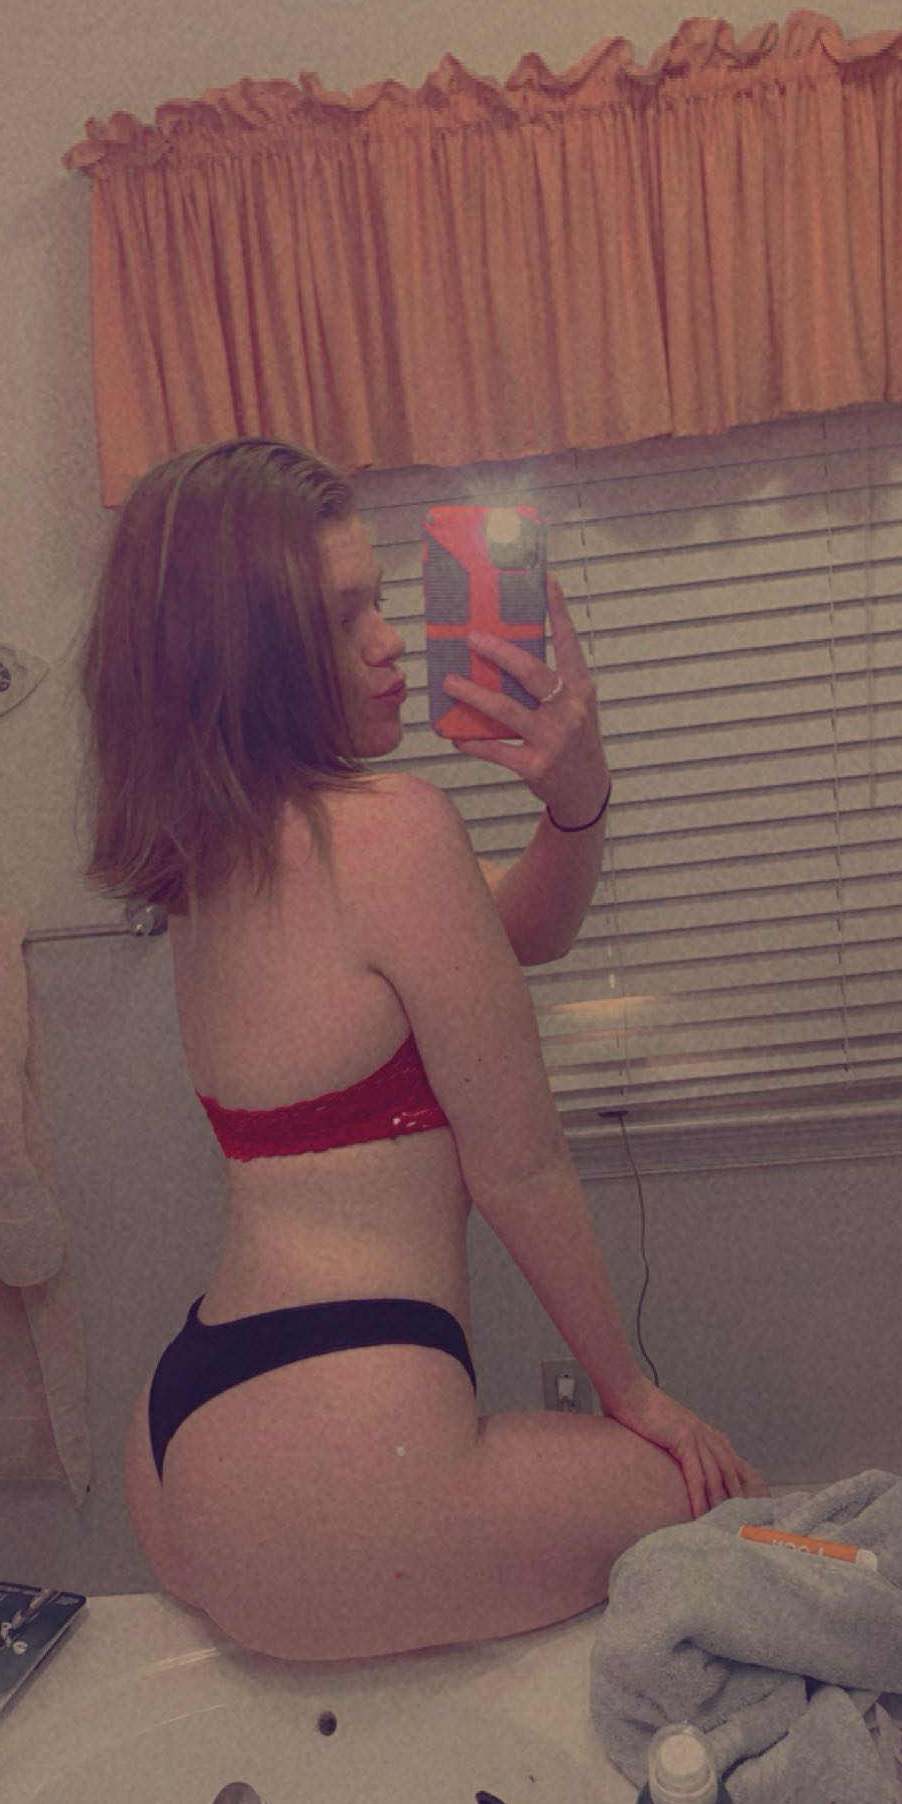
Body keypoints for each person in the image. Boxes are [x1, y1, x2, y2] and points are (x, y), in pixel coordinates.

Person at [78, 437, 767, 1664]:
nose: (392, 642)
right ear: (257, 654)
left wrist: (577, 796)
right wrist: (635, 1395)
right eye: (344, 618)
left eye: (382, 600)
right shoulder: (391, 831)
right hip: (341, 1453)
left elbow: (522, 933)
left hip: (190, 1430)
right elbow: (521, 1167)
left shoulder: (212, 852)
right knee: (718, 1512)